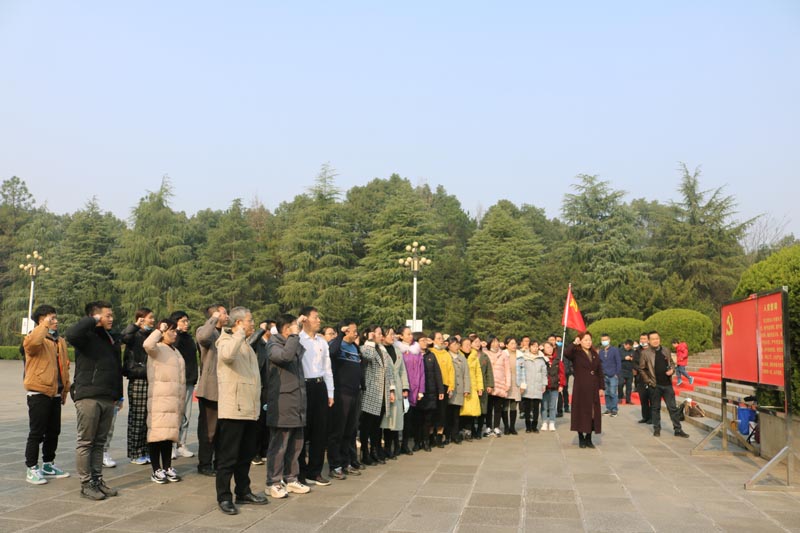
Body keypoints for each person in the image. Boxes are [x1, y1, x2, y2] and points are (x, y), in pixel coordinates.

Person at [65, 300, 123, 500]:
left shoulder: (109, 338)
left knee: (99, 443)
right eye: (108, 315)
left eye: (111, 315)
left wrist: (118, 395)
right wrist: (93, 320)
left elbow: (116, 368)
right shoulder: (85, 336)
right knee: (86, 442)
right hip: (88, 396)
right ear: (95, 316)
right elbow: (71, 334)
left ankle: (97, 480)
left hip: (107, 397)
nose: (111, 319)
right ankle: (86, 483)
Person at [215, 306, 268, 515]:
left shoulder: (245, 344)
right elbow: (228, 356)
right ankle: (224, 497)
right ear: (238, 323)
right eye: (249, 320)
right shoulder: (225, 341)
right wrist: (239, 334)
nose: (252, 323)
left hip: (250, 409)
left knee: (245, 456)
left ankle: (243, 491)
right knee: (228, 457)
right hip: (233, 410)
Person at [22, 304, 71, 485]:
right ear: (42, 320)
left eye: (55, 317)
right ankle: (32, 468)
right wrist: (43, 326)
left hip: (55, 392)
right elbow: (33, 344)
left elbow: (64, 367)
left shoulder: (59, 341)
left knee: (53, 431)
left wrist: (65, 389)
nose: (56, 321)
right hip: (38, 391)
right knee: (37, 433)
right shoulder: (34, 338)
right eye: (52, 318)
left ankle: (48, 464)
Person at [265, 314, 311, 499]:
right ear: (285, 329)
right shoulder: (273, 345)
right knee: (279, 445)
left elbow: (298, 352)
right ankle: (273, 482)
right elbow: (285, 357)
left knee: (296, 443)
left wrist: (296, 331)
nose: (297, 331)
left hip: (297, 402)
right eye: (293, 327)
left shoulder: (291, 342)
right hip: (282, 402)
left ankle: (291, 478)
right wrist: (293, 335)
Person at [143, 319, 186, 484]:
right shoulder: (157, 348)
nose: (174, 334)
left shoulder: (175, 350)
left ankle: (167, 467)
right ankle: (156, 469)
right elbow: (147, 344)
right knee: (157, 436)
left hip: (173, 400)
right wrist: (159, 331)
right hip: (160, 399)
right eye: (171, 331)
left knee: (168, 436)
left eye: (175, 331)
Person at [297, 306, 334, 486]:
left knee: (320, 432)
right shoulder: (297, 339)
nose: (319, 320)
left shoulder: (322, 342)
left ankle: (315, 471)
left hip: (320, 387)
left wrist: (330, 392)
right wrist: (297, 324)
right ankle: (299, 472)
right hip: (303, 387)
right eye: (315, 317)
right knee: (303, 431)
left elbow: (328, 368)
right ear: (305, 319)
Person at [195, 304, 228, 476]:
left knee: (222, 430)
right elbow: (203, 338)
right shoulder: (205, 330)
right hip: (210, 389)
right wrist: (214, 318)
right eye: (224, 313)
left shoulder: (227, 333)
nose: (227, 315)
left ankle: (219, 461)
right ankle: (205, 463)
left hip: (226, 389)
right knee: (208, 429)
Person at [327, 320, 361, 480]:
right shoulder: (336, 344)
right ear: (346, 330)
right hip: (341, 394)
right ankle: (335, 465)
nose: (356, 333)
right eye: (353, 330)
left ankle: (346, 462)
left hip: (354, 394)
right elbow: (331, 353)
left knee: (349, 431)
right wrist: (340, 334)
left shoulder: (355, 347)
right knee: (337, 431)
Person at [640, 332, 690, 438]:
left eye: (657, 338)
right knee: (655, 408)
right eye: (653, 339)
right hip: (654, 385)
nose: (655, 341)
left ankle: (678, 429)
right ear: (649, 341)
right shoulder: (645, 353)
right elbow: (642, 369)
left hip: (667, 384)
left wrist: (672, 370)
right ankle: (657, 429)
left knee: (672, 408)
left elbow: (671, 363)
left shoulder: (666, 350)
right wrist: (648, 381)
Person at [121, 308, 155, 465]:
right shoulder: (134, 334)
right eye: (150, 318)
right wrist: (135, 325)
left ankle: (145, 450)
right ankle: (135, 453)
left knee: (148, 418)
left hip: (150, 378)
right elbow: (124, 338)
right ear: (141, 319)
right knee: (137, 417)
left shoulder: (151, 335)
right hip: (138, 378)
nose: (152, 320)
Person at [360, 326, 396, 463]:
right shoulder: (365, 347)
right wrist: (369, 340)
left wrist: (391, 389)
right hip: (370, 391)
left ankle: (374, 450)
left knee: (376, 425)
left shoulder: (382, 350)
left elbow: (389, 370)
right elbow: (368, 356)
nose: (381, 336)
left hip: (382, 392)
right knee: (367, 425)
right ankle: (365, 452)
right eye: (379, 333)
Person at [564, 332, 604, 449]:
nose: (588, 342)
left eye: (589, 340)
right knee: (580, 413)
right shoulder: (576, 353)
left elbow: (599, 372)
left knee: (592, 413)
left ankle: (589, 438)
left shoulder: (594, 354)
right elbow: (566, 353)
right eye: (585, 340)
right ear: (580, 341)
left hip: (593, 388)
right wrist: (574, 343)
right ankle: (581, 437)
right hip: (581, 388)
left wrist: (601, 387)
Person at [169, 311, 197, 459]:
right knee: (175, 415)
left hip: (189, 380)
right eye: (183, 321)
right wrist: (176, 332)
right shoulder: (173, 338)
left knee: (186, 415)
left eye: (187, 321)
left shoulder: (190, 338)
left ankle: (181, 444)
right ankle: (171, 445)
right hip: (176, 382)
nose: (187, 324)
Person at [248, 319, 275, 466]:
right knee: (258, 421)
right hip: (259, 386)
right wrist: (261, 330)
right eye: (273, 329)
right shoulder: (258, 344)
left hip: (272, 386)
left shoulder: (274, 344)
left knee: (268, 420)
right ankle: (255, 452)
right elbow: (248, 344)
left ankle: (265, 449)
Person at [396, 327, 424, 454]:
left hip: (414, 389)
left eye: (411, 334)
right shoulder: (398, 350)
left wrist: (421, 390)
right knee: (398, 418)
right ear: (401, 336)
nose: (410, 336)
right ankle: (395, 444)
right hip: (400, 388)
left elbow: (421, 372)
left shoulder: (416, 351)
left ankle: (405, 444)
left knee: (409, 419)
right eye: (407, 334)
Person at [381, 328, 408, 459]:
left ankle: (391, 446)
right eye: (390, 334)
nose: (393, 337)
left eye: (393, 334)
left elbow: (402, 371)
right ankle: (383, 448)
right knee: (385, 420)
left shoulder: (397, 350)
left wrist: (405, 387)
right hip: (384, 387)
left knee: (395, 419)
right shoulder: (380, 350)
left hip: (397, 386)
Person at [417, 335, 444, 451]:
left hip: (430, 391)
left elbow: (437, 373)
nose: (425, 342)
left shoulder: (431, 355)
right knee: (418, 418)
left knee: (428, 419)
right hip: (417, 391)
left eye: (426, 340)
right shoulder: (414, 355)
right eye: (422, 340)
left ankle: (426, 441)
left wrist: (440, 390)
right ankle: (417, 442)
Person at [430, 332, 454, 447]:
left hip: (444, 386)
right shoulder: (430, 353)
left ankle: (440, 436)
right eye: (438, 338)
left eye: (441, 338)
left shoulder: (446, 354)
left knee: (442, 412)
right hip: (432, 386)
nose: (441, 340)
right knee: (432, 412)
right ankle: (430, 436)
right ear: (433, 340)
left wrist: (451, 386)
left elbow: (451, 370)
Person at [484, 336, 509, 437]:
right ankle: (488, 426)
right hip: (489, 384)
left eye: (497, 341)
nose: (495, 344)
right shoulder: (485, 353)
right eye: (493, 342)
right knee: (488, 407)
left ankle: (496, 427)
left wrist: (508, 384)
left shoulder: (503, 354)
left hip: (500, 384)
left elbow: (507, 370)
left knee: (498, 407)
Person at [446, 338, 470, 444]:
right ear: (448, 345)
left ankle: (455, 435)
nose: (457, 346)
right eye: (454, 344)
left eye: (457, 344)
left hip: (459, 389)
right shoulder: (446, 356)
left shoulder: (462, 357)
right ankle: (447, 435)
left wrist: (466, 389)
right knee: (447, 414)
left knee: (456, 415)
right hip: (449, 389)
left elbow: (466, 374)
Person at [459, 338, 484, 440]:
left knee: (471, 411)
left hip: (472, 387)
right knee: (461, 411)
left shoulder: (474, 357)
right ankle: (460, 431)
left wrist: (480, 387)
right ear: (460, 346)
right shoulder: (458, 356)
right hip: (461, 387)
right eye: (466, 345)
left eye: (469, 345)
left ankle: (469, 431)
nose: (468, 347)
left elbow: (478, 373)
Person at [521, 341, 546, 433]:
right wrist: (522, 384)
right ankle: (528, 426)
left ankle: (534, 426)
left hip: (537, 385)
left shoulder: (541, 359)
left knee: (536, 407)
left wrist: (544, 384)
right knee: (527, 407)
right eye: (533, 346)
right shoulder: (524, 358)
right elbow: (521, 372)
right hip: (527, 386)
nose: (535, 348)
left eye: (536, 346)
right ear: (529, 347)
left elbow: (544, 373)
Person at [473, 336, 494, 438]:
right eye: (475, 342)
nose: (478, 344)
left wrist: (490, 385)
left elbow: (489, 372)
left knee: (482, 408)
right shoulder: (468, 356)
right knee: (472, 408)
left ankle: (479, 430)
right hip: (472, 385)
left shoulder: (484, 356)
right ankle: (472, 429)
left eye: (479, 342)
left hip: (483, 385)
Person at [541, 342, 565, 431]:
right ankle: (544, 422)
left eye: (551, 347)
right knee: (544, 406)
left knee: (553, 406)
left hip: (555, 386)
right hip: (544, 387)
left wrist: (561, 385)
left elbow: (562, 373)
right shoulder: (542, 359)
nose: (549, 349)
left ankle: (552, 422)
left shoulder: (558, 360)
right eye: (547, 347)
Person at [598, 333, 621, 417]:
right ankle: (608, 408)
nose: (604, 341)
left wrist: (617, 373)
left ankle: (614, 409)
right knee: (607, 393)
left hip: (613, 375)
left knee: (613, 392)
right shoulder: (601, 352)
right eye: (603, 340)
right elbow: (599, 363)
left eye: (606, 340)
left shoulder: (614, 350)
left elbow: (618, 362)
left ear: (609, 340)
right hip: (604, 375)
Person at [503, 337, 522, 435]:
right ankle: (506, 427)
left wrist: (523, 384)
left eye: (515, 343)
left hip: (516, 381)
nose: (514, 345)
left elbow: (523, 371)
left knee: (514, 405)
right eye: (511, 343)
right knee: (505, 405)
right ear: (506, 345)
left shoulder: (520, 355)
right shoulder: (503, 355)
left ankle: (512, 427)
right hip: (506, 381)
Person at [632, 333, 652, 424]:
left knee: (652, 399)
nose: (642, 340)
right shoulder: (637, 351)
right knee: (643, 399)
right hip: (640, 378)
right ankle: (645, 417)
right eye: (641, 339)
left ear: (648, 340)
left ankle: (652, 418)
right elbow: (634, 363)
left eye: (644, 339)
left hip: (651, 377)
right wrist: (641, 370)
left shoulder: (653, 350)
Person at [619, 340, 635, 404]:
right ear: (625, 345)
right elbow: (617, 359)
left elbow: (636, 359)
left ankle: (628, 399)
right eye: (627, 346)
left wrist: (632, 359)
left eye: (630, 346)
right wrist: (624, 358)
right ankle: (620, 397)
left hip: (630, 371)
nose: (628, 347)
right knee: (620, 384)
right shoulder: (620, 350)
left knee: (629, 386)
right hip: (621, 370)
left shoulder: (633, 351)